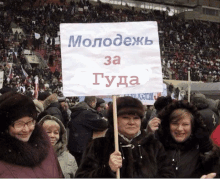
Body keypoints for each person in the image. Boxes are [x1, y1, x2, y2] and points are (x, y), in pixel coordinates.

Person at [75, 96, 175, 178]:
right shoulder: (98, 146)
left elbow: (168, 174)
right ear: (114, 120)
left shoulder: (154, 145)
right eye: (125, 118)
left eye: (136, 118)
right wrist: (107, 170)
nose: (131, 122)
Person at [0, 91, 63, 178]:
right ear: (5, 126)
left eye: (30, 122)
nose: (26, 129)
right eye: (19, 124)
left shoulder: (46, 148)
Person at [157, 100, 218, 178]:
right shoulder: (158, 148)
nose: (179, 129)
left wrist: (208, 151)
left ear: (192, 126)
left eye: (185, 124)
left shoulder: (200, 151)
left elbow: (213, 170)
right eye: (175, 123)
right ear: (168, 126)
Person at [68, 96, 109, 166]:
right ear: (93, 102)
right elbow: (103, 124)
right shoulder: (87, 113)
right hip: (82, 147)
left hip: (74, 145)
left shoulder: (79, 110)